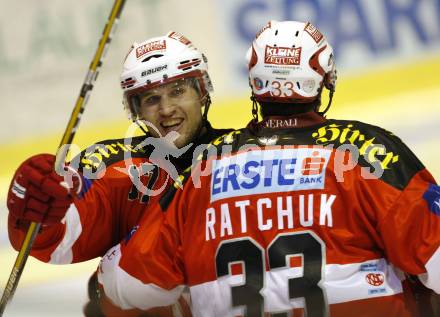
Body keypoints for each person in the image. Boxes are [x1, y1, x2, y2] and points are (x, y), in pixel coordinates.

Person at [95, 20, 440, 316]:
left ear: (254, 86)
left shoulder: (203, 168)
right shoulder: (369, 151)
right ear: (325, 81)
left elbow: (127, 284)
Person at [6, 31, 232, 316]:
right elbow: (56, 238)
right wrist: (34, 213)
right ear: (135, 109)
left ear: (202, 91)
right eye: (151, 99)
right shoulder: (114, 169)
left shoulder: (244, 156)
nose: (166, 110)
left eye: (177, 91)